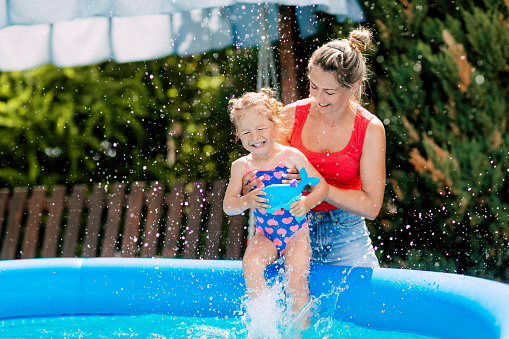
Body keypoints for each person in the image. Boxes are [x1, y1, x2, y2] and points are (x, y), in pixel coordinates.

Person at [242, 26, 386, 268]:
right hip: (290, 226)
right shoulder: (291, 116)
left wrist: (319, 186)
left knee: (361, 305)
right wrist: (251, 182)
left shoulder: (370, 128)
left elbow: (371, 207)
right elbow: (263, 167)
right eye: (313, 86)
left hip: (345, 233)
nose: (319, 98)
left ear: (353, 87)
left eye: (329, 91)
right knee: (286, 303)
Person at [223, 88, 328, 315]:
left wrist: (307, 203)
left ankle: (300, 333)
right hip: (266, 235)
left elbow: (321, 186)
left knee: (295, 284)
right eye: (246, 132)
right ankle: (264, 324)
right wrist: (247, 200)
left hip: (296, 233)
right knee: (250, 263)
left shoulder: (291, 156)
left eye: (261, 128)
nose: (255, 137)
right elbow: (228, 206)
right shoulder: (241, 166)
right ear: (238, 135)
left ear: (275, 127)